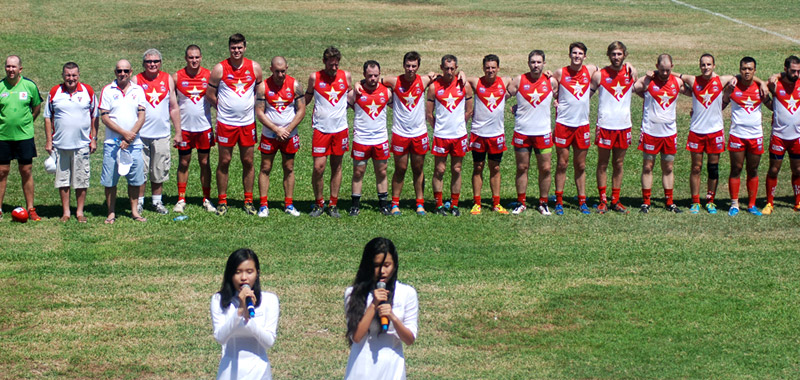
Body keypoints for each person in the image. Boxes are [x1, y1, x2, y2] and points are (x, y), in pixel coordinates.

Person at [344, 237, 418, 380]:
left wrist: (393, 317)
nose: (382, 271)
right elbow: (357, 337)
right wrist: (373, 305)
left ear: (395, 265)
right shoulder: (353, 294)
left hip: (392, 368)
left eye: (387, 265)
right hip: (362, 368)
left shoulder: (407, 293)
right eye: (377, 265)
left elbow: (409, 339)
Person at [207, 33, 264, 216]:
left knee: (248, 161)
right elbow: (209, 94)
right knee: (225, 161)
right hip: (226, 124)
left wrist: (251, 107)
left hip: (247, 123)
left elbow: (259, 91)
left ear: (245, 48)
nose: (236, 51)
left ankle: (248, 200)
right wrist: (223, 109)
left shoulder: (254, 67)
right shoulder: (219, 69)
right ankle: (222, 200)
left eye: (239, 47)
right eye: (233, 48)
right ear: (229, 48)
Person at [677, 54, 737, 214]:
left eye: (709, 64)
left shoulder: (720, 80)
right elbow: (674, 74)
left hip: (715, 132)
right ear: (699, 66)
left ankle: (710, 200)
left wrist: (732, 81)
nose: (706, 67)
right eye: (703, 65)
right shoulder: (693, 80)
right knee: (696, 167)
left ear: (714, 66)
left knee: (713, 168)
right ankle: (695, 201)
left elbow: (733, 77)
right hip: (697, 132)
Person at [211, 248, 279, 380]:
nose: (244, 278)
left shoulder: (270, 300)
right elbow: (220, 337)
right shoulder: (219, 300)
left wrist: (248, 320)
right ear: (230, 275)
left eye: (249, 272)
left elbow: (268, 341)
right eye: (238, 272)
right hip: (229, 372)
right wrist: (239, 312)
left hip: (259, 373)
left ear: (257, 273)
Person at [382, 52, 436, 216]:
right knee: (400, 168)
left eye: (414, 66)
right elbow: (374, 80)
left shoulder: (424, 80)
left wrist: (460, 73)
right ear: (403, 65)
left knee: (418, 168)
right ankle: (395, 203)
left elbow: (443, 76)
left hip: (419, 132)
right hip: (400, 133)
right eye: (408, 65)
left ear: (418, 66)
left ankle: (420, 203)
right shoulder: (395, 81)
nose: (410, 69)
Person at [43, 62, 98, 223]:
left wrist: (93, 139)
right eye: (68, 75)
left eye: (74, 75)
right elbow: (48, 117)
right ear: (63, 76)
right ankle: (66, 212)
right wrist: (49, 141)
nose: (71, 78)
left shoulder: (87, 91)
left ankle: (80, 212)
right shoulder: (55, 92)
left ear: (78, 75)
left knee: (81, 180)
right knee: (63, 180)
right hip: (60, 145)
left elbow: (95, 116)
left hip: (82, 144)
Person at [506, 50, 558, 215]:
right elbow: (502, 95)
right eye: (533, 62)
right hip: (522, 132)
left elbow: (562, 97)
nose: (536, 65)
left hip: (543, 132)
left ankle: (543, 203)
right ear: (528, 63)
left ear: (544, 64)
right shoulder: (520, 80)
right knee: (522, 167)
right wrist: (513, 108)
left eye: (539, 62)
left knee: (546, 168)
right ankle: (521, 202)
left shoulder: (551, 82)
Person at [132, 48, 182, 215]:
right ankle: (139, 202)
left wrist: (178, 132)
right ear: (143, 64)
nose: (152, 64)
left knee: (159, 169)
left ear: (160, 63)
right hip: (140, 135)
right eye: (148, 62)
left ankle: (156, 201)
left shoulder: (167, 79)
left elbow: (173, 107)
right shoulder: (136, 80)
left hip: (161, 133)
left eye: (155, 61)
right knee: (141, 170)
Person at [551, 42, 599, 215]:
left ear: (584, 56)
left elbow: (606, 70)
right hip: (564, 124)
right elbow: (547, 86)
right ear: (569, 55)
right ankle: (559, 201)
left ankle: (582, 201)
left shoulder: (591, 70)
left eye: (580, 53)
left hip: (582, 125)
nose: (577, 56)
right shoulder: (560, 72)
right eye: (574, 53)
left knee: (580, 165)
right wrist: (555, 98)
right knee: (562, 164)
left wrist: (629, 66)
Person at [589, 41, 637, 214]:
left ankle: (615, 200)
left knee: (618, 163)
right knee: (602, 163)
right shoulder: (600, 75)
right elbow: (585, 97)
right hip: (605, 125)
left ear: (625, 55)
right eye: (613, 54)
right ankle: (602, 200)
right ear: (608, 55)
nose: (616, 57)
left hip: (624, 126)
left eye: (619, 54)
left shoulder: (631, 73)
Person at [304, 46, 352, 218]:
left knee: (336, 166)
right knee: (319, 168)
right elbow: (307, 98)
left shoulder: (345, 76)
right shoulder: (314, 77)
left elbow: (350, 96)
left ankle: (333, 203)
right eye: (331, 64)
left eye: (336, 65)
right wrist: (292, 109)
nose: (334, 68)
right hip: (321, 129)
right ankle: (318, 203)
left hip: (340, 130)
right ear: (324, 62)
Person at [255, 56, 306, 217]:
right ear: (271, 69)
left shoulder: (295, 85)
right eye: (277, 71)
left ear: (287, 68)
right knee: (265, 168)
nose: (280, 74)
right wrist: (276, 130)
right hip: (270, 134)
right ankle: (263, 205)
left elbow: (301, 110)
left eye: (283, 71)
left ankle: (289, 204)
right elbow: (259, 112)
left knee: (289, 168)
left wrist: (288, 130)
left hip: (290, 135)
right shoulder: (263, 87)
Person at [633, 54, 683, 213]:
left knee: (668, 167)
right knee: (648, 166)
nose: (665, 73)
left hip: (669, 132)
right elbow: (634, 87)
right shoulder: (649, 81)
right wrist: (647, 77)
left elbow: (696, 87)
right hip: (650, 131)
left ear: (672, 67)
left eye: (668, 70)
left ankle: (669, 202)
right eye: (662, 70)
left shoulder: (677, 82)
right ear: (657, 66)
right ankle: (646, 202)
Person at [99, 59, 148, 223]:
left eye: (125, 71)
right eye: (119, 71)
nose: (122, 74)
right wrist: (123, 134)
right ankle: (111, 212)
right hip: (112, 144)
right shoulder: (107, 90)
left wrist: (130, 136)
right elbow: (104, 117)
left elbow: (142, 116)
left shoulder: (138, 90)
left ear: (131, 72)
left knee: (135, 180)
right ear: (115, 72)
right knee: (110, 180)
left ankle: (134, 212)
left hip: (134, 144)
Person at [426, 54, 474, 216]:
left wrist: (460, 125)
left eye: (452, 69)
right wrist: (438, 128)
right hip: (441, 136)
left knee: (457, 169)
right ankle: (438, 205)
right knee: (439, 170)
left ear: (456, 69)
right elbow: (429, 114)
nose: (449, 71)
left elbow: (469, 110)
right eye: (446, 68)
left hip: (459, 136)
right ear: (441, 68)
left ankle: (454, 204)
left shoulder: (463, 85)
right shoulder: (434, 87)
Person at [173, 44, 217, 214]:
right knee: (184, 162)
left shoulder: (209, 76)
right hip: (184, 129)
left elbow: (217, 99)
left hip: (203, 128)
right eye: (191, 57)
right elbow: (171, 103)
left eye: (197, 57)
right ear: (186, 58)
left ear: (201, 58)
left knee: (204, 162)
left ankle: (206, 198)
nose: (194, 60)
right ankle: (181, 198)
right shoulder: (177, 77)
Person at [464, 54, 512, 215]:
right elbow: (462, 77)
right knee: (478, 167)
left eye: (493, 67)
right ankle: (477, 202)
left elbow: (519, 82)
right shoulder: (477, 82)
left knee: (495, 167)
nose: (490, 70)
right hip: (478, 133)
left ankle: (496, 203)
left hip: (496, 134)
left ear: (498, 68)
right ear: (483, 68)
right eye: (487, 67)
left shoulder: (504, 82)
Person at [722, 56, 769, 216]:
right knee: (736, 168)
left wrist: (764, 85)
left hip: (756, 135)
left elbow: (772, 106)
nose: (747, 71)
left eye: (750, 69)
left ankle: (751, 204)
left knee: (753, 169)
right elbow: (720, 105)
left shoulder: (760, 87)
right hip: (737, 135)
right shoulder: (733, 85)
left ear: (754, 70)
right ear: (739, 69)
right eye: (744, 68)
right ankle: (734, 204)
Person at [0, 55, 43, 221]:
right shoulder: (1, 87)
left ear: (20, 69)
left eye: (14, 67)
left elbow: (37, 107)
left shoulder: (29, 85)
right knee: (2, 172)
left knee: (26, 171)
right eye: (8, 67)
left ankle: (31, 208)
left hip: (24, 136)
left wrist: (27, 123)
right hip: (3, 136)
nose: (11, 70)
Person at [347, 60, 392, 216]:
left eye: (375, 75)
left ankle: (384, 205)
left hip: (380, 139)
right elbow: (342, 105)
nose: (373, 78)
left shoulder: (387, 92)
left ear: (379, 74)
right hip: (361, 139)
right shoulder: (355, 93)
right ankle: (355, 205)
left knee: (382, 172)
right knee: (358, 172)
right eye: (369, 75)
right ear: (364, 74)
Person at [764, 55, 800, 214]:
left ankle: (798, 202)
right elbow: (761, 88)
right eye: (793, 71)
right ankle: (769, 203)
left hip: (797, 137)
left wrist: (779, 74)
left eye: (798, 71)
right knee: (773, 170)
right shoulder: (775, 85)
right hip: (778, 136)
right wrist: (771, 105)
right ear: (786, 69)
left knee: (798, 170)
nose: (796, 74)